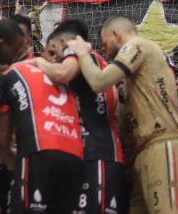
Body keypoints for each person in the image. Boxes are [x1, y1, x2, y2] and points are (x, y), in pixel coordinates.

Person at [66, 15, 178, 214]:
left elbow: (98, 82)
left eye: (105, 43)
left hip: (163, 143)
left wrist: (83, 53)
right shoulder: (135, 78)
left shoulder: (137, 45)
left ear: (116, 35)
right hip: (143, 151)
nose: (106, 51)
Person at [29, 19, 125, 214]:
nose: (49, 59)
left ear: (64, 43)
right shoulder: (95, 61)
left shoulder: (77, 52)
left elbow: (63, 73)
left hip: (99, 153)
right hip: (98, 151)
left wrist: (36, 62)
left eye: (51, 51)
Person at [0, 58, 84, 213]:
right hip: (75, 155)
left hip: (38, 149)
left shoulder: (10, 73)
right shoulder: (64, 77)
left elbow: (2, 140)